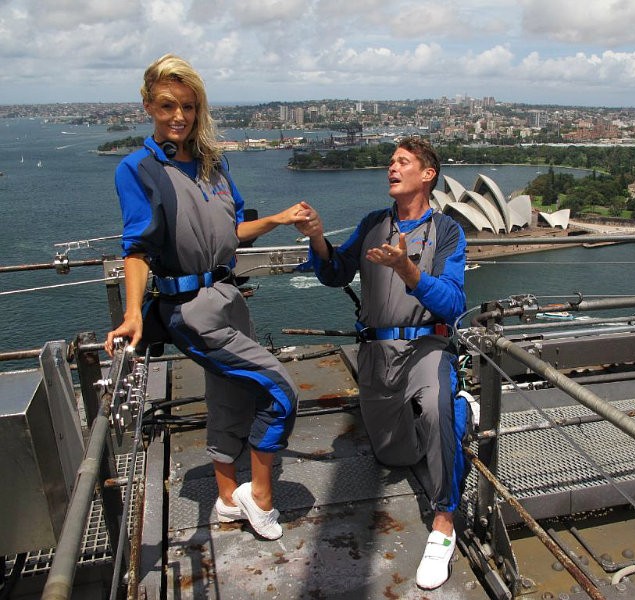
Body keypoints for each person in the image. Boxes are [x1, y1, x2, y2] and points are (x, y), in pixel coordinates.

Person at [104, 54, 308, 541]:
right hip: (191, 310)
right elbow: (136, 249)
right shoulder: (138, 170)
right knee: (280, 390)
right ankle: (259, 498)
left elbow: (231, 232)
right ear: (148, 105)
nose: (180, 116)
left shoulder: (214, 165)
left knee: (228, 396)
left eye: (189, 107)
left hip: (229, 295)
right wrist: (133, 313)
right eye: (169, 105)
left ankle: (224, 500)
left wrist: (277, 220)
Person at [295, 137, 475, 590]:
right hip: (376, 354)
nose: (391, 167)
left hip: (426, 348)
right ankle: (462, 414)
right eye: (391, 161)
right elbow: (335, 272)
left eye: (402, 162)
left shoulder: (448, 231)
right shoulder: (374, 224)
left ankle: (444, 523)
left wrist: (409, 271)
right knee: (394, 455)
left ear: (427, 174)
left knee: (435, 406)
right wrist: (318, 237)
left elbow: (453, 304)